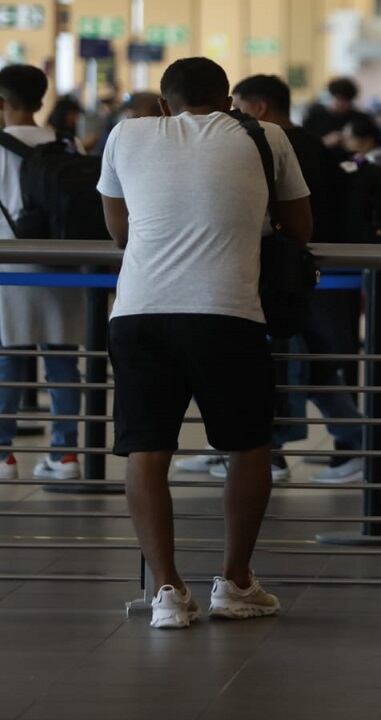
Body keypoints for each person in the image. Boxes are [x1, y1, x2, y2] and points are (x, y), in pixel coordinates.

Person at [97, 57, 312, 629]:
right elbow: (300, 225)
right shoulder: (265, 136)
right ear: (228, 100)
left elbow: (118, 230)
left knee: (147, 450)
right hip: (228, 312)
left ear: (165, 104)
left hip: (138, 312)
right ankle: (235, 581)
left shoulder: (126, 132)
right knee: (246, 448)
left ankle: (167, 591)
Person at [226, 73, 366, 484]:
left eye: (239, 106)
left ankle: (281, 451)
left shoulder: (278, 145)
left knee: (296, 361)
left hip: (288, 275)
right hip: (302, 274)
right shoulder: (310, 143)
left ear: (260, 107)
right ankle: (277, 451)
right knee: (308, 362)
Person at [0, 65, 85, 482]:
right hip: (64, 270)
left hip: (8, 270)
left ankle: (2, 456)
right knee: (64, 365)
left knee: (6, 364)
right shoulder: (68, 146)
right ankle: (65, 455)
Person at [303, 76, 373, 152]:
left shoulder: (360, 118)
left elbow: (374, 142)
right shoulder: (314, 116)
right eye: (339, 99)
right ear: (330, 97)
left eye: (347, 100)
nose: (344, 104)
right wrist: (324, 142)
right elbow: (303, 144)